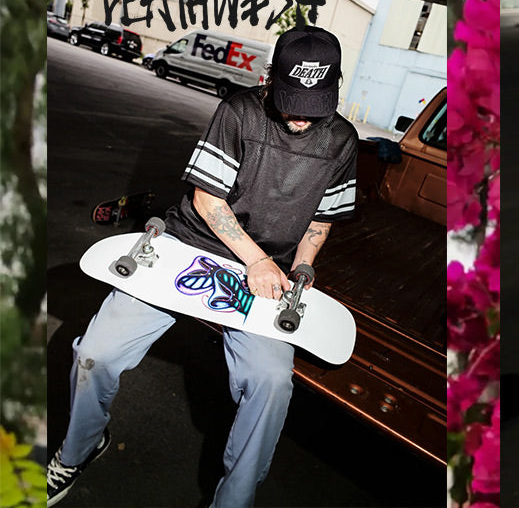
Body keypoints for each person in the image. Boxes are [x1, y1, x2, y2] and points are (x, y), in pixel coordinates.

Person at [49, 25, 358, 507]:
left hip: (266, 273)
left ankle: (234, 501)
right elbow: (207, 199)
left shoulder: (342, 141)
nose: (300, 117)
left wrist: (299, 271)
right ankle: (80, 447)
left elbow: (321, 219)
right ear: (270, 78)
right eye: (291, 101)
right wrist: (255, 259)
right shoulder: (240, 112)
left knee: (271, 383)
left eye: (313, 105)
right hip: (191, 246)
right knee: (96, 352)